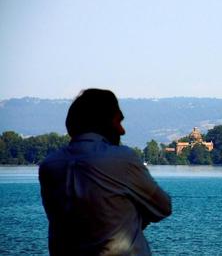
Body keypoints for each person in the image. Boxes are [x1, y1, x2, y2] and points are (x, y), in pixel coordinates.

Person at [39, 89, 172, 256]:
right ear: (103, 122)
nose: (122, 130)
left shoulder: (49, 166)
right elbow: (163, 207)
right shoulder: (122, 159)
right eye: (118, 121)